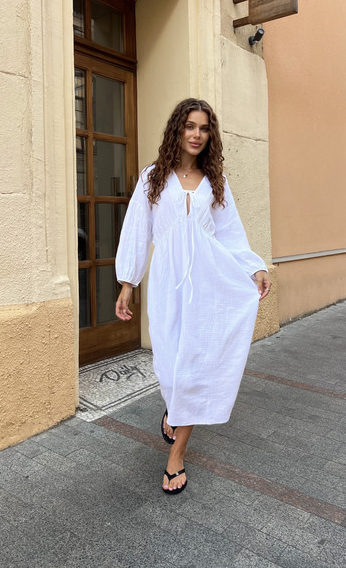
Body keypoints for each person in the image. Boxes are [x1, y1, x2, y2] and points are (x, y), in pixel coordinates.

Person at [115, 98, 271, 495]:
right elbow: (137, 230)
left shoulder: (215, 183)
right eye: (189, 126)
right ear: (177, 130)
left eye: (203, 128)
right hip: (167, 285)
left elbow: (231, 235)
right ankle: (174, 404)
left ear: (210, 135)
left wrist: (254, 267)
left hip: (207, 285)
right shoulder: (153, 177)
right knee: (169, 366)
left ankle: (177, 454)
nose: (196, 134)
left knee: (196, 365)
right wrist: (128, 282)